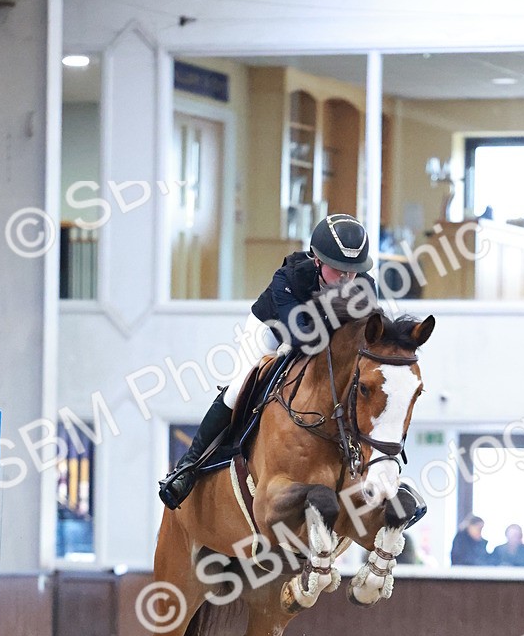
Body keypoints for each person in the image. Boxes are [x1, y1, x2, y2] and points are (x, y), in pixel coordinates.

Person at [159, 213, 374, 510]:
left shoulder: (365, 286)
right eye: (339, 270)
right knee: (238, 389)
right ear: (317, 261)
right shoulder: (288, 279)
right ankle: (188, 467)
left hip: (320, 339)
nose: (348, 278)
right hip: (273, 331)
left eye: (353, 271)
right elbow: (302, 337)